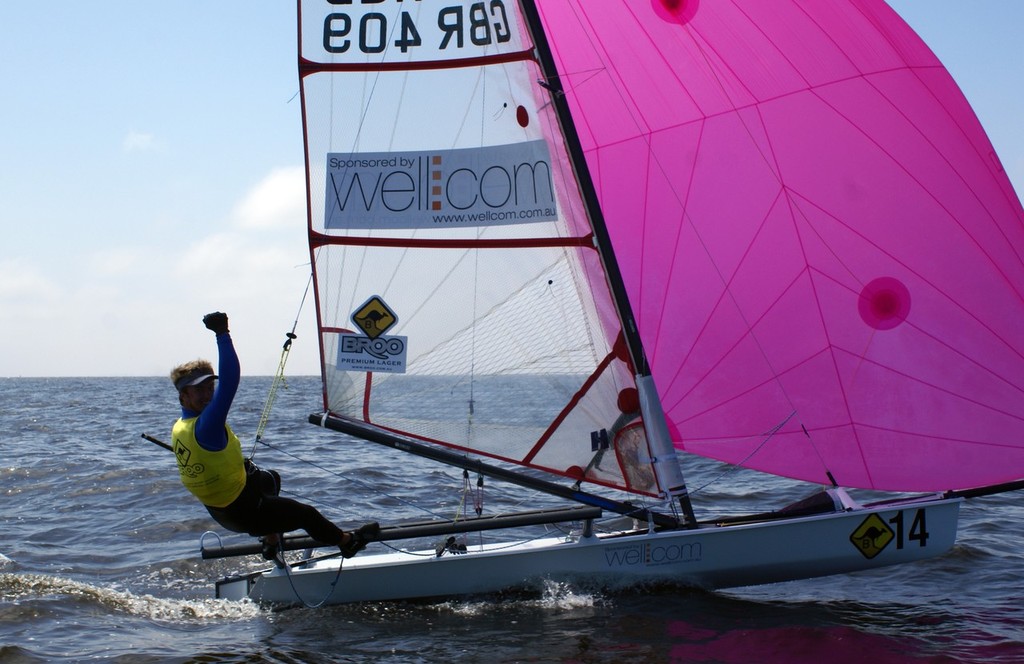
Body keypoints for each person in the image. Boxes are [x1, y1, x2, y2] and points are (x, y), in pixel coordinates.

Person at [170, 311, 378, 559]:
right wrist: (222, 334)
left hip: (223, 511)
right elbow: (230, 383)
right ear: (183, 396)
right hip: (244, 512)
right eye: (198, 390)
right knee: (306, 514)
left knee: (269, 479)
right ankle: (348, 542)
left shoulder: (181, 426)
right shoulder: (207, 427)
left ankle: (270, 540)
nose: (207, 395)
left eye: (209, 387)